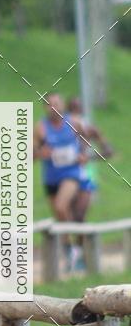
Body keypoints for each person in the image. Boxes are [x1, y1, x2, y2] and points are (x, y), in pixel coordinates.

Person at [33, 93, 87, 272]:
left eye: (57, 103)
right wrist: (40, 153)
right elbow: (30, 154)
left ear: (62, 105)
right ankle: (73, 252)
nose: (54, 108)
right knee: (61, 215)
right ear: (45, 108)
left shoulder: (74, 123)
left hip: (71, 174)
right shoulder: (41, 128)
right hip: (51, 178)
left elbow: (86, 140)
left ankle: (73, 251)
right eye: (50, 104)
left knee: (61, 206)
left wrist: (83, 154)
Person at [66, 96, 114, 236]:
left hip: (87, 174)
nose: (75, 113)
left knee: (80, 215)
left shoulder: (89, 129)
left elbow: (109, 151)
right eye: (72, 109)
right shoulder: (63, 129)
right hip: (67, 175)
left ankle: (81, 246)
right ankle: (74, 246)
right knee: (70, 216)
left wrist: (88, 158)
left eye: (77, 109)